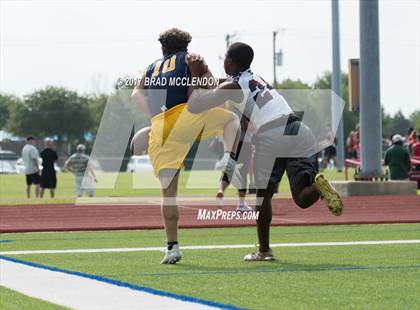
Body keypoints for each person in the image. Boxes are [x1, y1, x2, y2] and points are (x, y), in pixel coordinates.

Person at [188, 42, 344, 261]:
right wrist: (204, 71)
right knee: (301, 197)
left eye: (224, 57)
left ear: (230, 61)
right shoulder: (256, 79)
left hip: (272, 134)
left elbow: (196, 104)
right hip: (299, 129)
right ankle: (318, 187)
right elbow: (217, 88)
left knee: (263, 196)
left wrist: (195, 74)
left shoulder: (233, 85)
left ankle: (264, 251)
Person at [131, 28, 242, 264]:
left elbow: (135, 95)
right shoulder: (192, 58)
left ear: (163, 48)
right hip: (187, 117)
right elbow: (211, 84)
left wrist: (154, 116)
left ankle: (172, 247)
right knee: (231, 120)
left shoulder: (151, 67)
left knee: (168, 195)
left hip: (161, 126)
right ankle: (228, 157)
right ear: (186, 46)